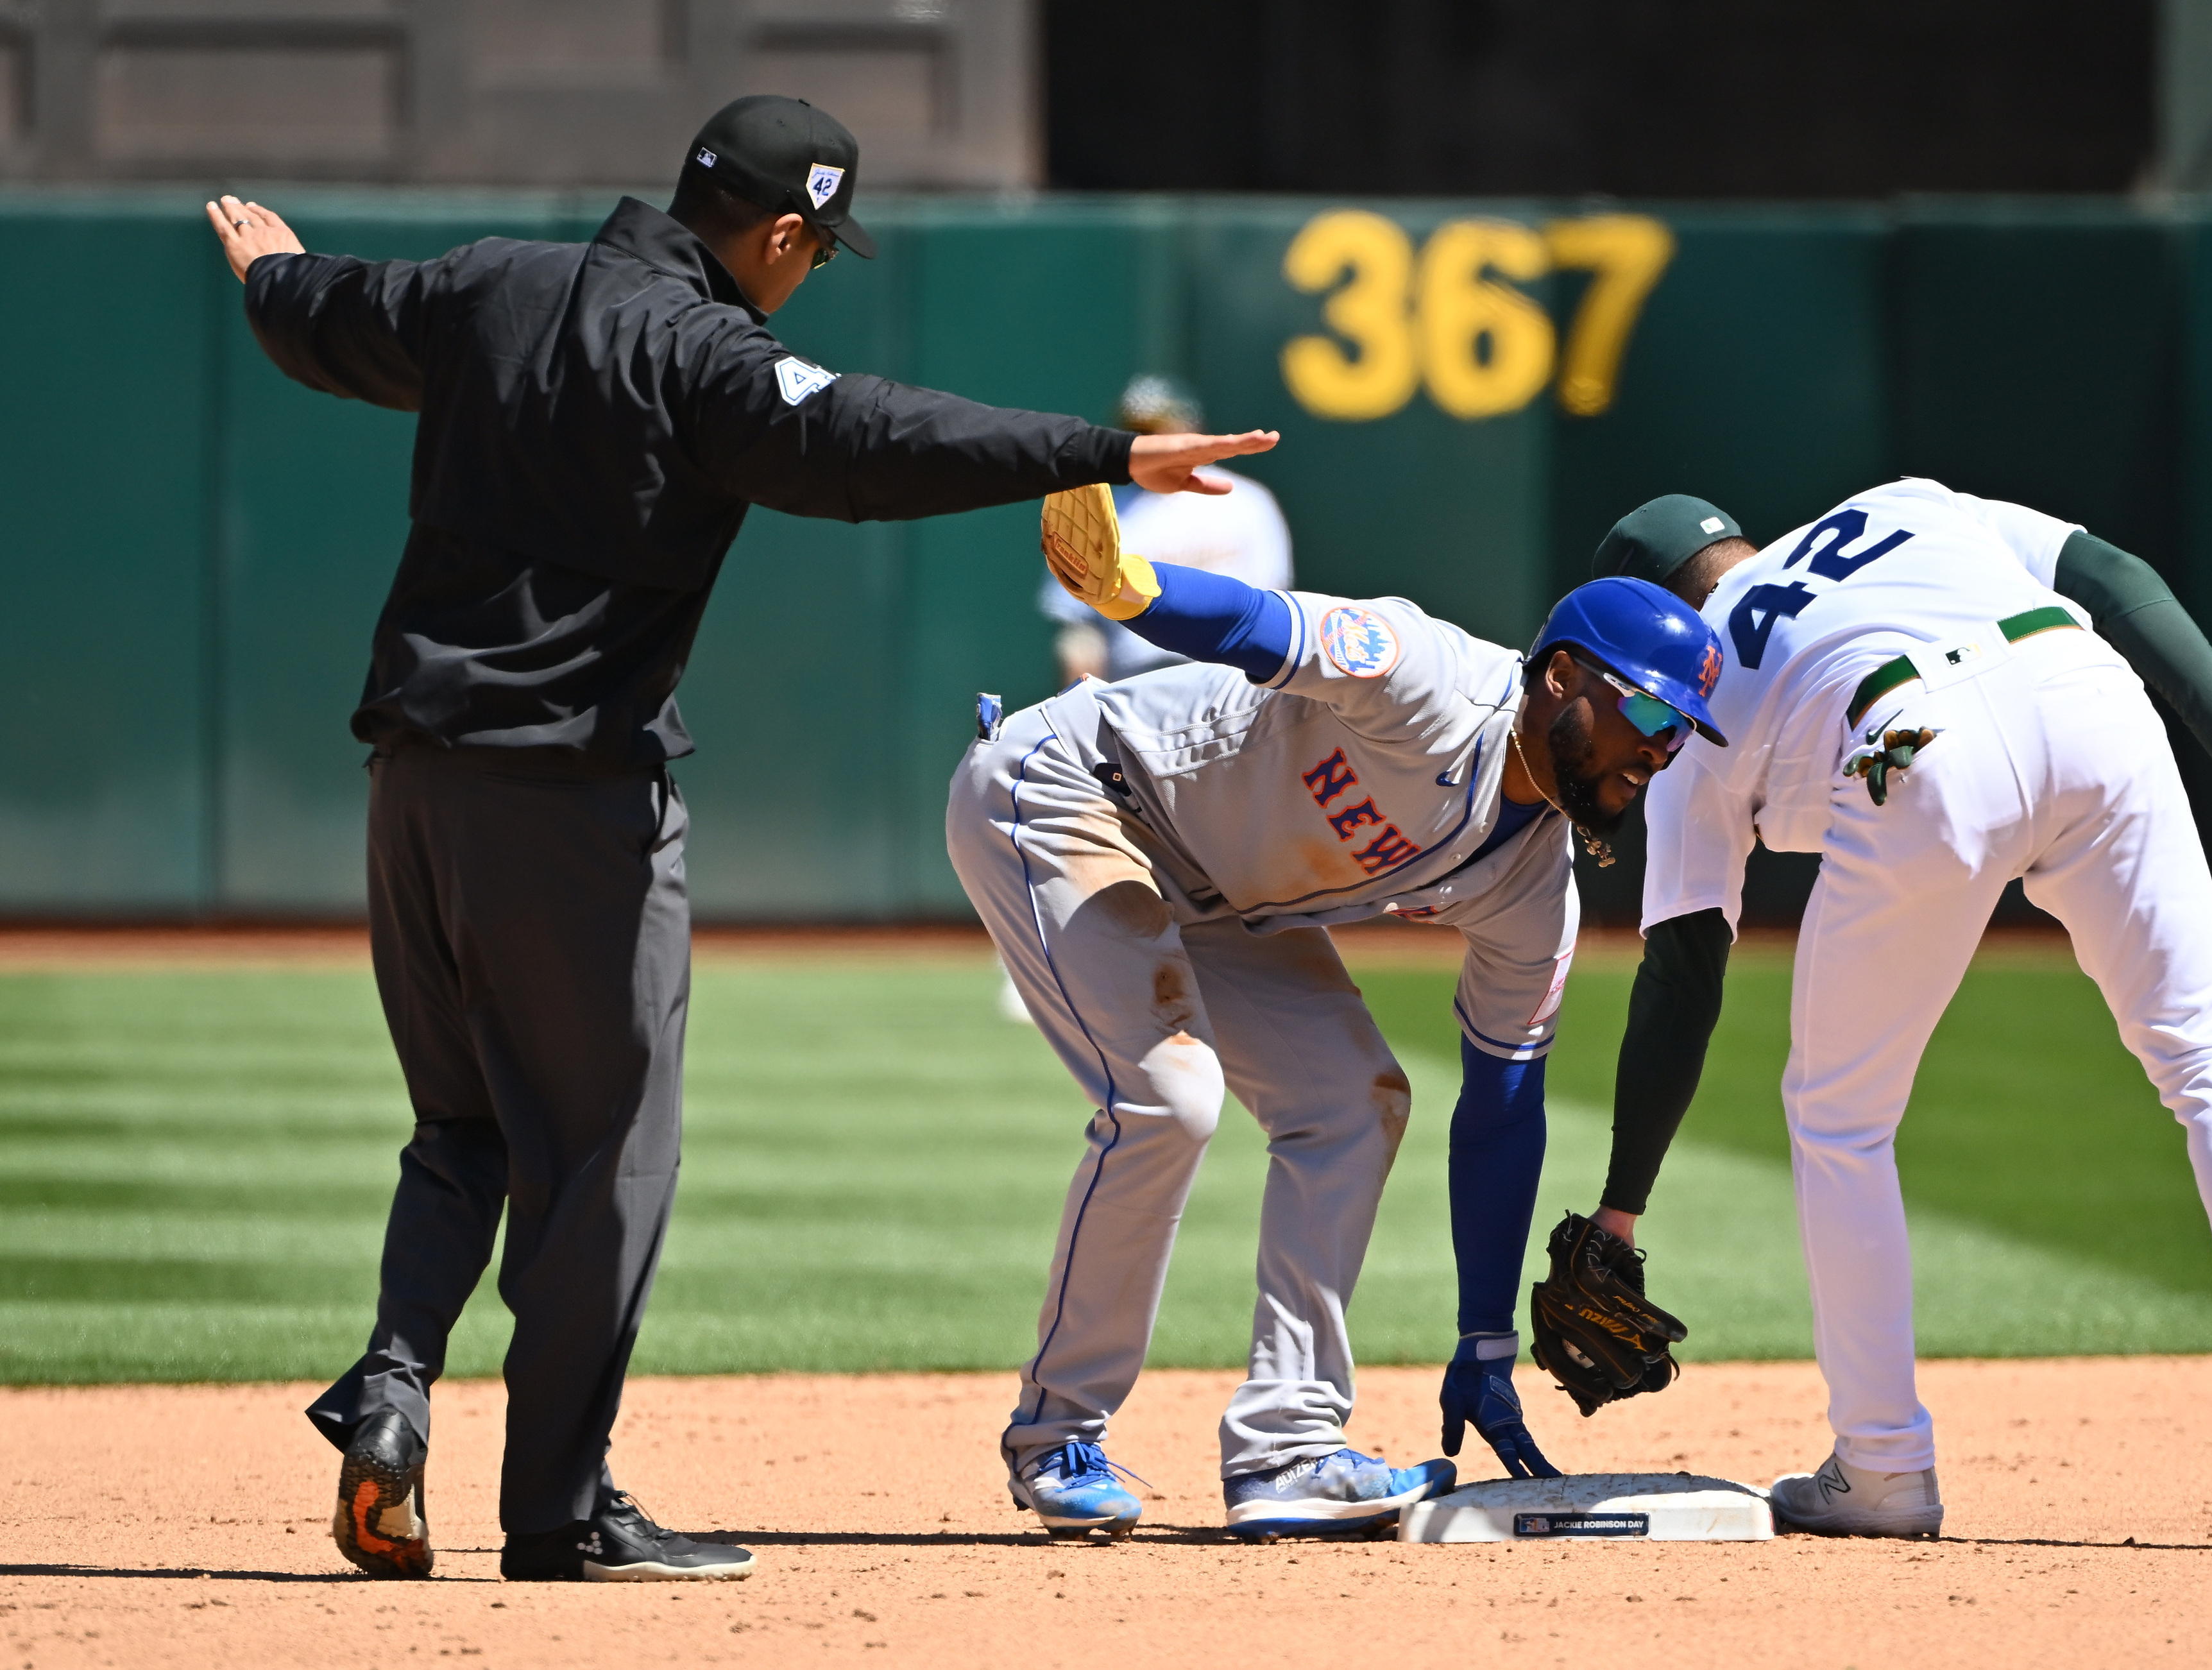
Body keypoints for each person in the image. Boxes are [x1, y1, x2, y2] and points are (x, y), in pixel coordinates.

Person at [205, 93, 1276, 1583]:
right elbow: (870, 439)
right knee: (605, 1156)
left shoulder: (482, 285)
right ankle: (557, 1508)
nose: (807, 274)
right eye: (811, 252)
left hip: (411, 784)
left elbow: (319, 312)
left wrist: (267, 274)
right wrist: (1094, 451)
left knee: (464, 1123)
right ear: (778, 232)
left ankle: (391, 1390)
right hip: (571, 798)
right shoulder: (707, 353)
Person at [1569, 484, 2212, 1538]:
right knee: (2211, 1056)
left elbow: (1682, 976)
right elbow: (2113, 576)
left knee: (1839, 1118)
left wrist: (1620, 1208)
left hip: (1910, 736)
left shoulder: (1691, 681)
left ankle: (1880, 1466)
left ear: (1648, 614)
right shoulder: (1901, 502)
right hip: (2089, 694)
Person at [947, 486, 1723, 1539]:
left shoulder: (1533, 893)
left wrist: (1483, 1339)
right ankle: (1055, 1434)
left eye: (1678, 734)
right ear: (1558, 676)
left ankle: (1287, 1447)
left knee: (1356, 1103)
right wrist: (1132, 588)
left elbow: (1500, 1107)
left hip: (1220, 894)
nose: (1656, 750)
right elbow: (1263, 630)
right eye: (1644, 711)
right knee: (1170, 1098)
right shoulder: (1427, 677)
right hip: (1070, 791)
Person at [1036, 374, 1294, 686]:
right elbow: (1080, 630)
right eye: (1138, 431)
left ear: (1190, 424)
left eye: (1157, 427)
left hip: (1233, 675)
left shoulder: (1246, 501)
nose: (1148, 440)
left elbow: (1275, 602)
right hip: (1141, 681)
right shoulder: (1105, 511)